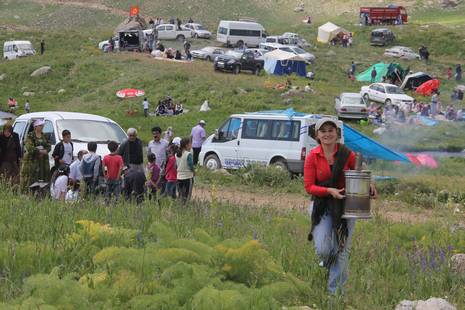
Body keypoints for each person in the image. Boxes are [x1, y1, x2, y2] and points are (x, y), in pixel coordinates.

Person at [304, 118, 376, 295]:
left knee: (341, 250)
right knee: (323, 248)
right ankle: (327, 261)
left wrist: (370, 186)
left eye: (331, 130)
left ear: (337, 133)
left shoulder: (346, 153)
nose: (327, 134)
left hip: (346, 206)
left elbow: (359, 173)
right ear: (317, 135)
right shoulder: (312, 156)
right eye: (323, 131)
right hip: (322, 208)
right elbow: (309, 187)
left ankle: (335, 295)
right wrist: (329, 191)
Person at [20, 119, 51, 191]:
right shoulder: (30, 136)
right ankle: (30, 193)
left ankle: (41, 194)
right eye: (40, 125)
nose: (42, 127)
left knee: (42, 179)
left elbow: (49, 146)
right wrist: (40, 151)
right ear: (35, 126)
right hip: (32, 161)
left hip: (43, 162)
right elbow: (29, 147)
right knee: (32, 179)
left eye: (42, 125)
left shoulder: (45, 136)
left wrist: (45, 150)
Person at [176, 137, 194, 203]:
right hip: (187, 177)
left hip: (179, 177)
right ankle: (185, 208)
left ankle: (180, 208)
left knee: (180, 195)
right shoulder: (188, 154)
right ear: (186, 145)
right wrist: (194, 172)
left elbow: (176, 166)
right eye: (190, 144)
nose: (191, 145)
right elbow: (191, 165)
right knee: (187, 196)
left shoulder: (176, 154)